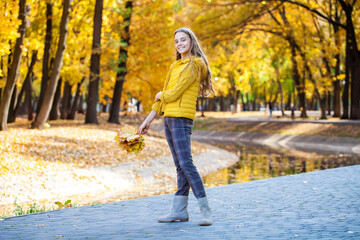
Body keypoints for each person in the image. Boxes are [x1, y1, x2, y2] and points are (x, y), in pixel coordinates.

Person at [138, 27, 214, 226]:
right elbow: (163, 98)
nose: (179, 44)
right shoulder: (175, 66)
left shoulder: (196, 64)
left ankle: (206, 211)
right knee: (180, 166)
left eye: (183, 40)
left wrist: (161, 95)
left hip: (182, 119)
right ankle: (179, 211)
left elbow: (172, 94)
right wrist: (147, 120)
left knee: (187, 164)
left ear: (191, 42)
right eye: (176, 41)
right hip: (169, 119)